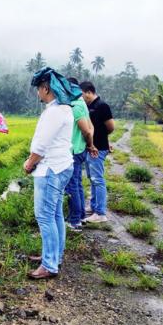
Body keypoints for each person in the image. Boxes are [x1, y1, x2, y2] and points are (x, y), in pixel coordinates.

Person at [24, 67, 75, 279]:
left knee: (44, 216)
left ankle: (50, 264)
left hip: (50, 169)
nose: (38, 93)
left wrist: (29, 163)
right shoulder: (65, 109)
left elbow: (41, 146)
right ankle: (54, 255)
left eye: (39, 89)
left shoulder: (54, 112)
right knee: (54, 214)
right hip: (62, 166)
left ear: (46, 88)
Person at [65, 78, 98, 232]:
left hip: (75, 150)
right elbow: (91, 127)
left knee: (72, 185)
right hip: (80, 149)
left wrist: (90, 144)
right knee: (77, 184)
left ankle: (74, 220)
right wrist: (89, 145)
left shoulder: (76, 105)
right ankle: (82, 215)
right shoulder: (82, 103)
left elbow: (86, 130)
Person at [80, 81, 114, 223]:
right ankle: (94, 207)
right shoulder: (89, 106)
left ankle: (100, 213)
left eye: (82, 94)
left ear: (89, 92)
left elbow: (111, 127)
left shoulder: (102, 106)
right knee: (92, 179)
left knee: (97, 179)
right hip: (91, 148)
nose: (81, 98)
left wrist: (102, 139)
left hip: (98, 149)